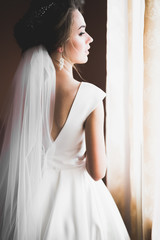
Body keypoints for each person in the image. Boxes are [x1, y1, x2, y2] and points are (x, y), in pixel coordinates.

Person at [0, 0, 130, 239]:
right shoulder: (90, 97)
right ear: (60, 44)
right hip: (80, 202)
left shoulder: (27, 96)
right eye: (81, 33)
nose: (90, 38)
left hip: (33, 200)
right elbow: (97, 171)